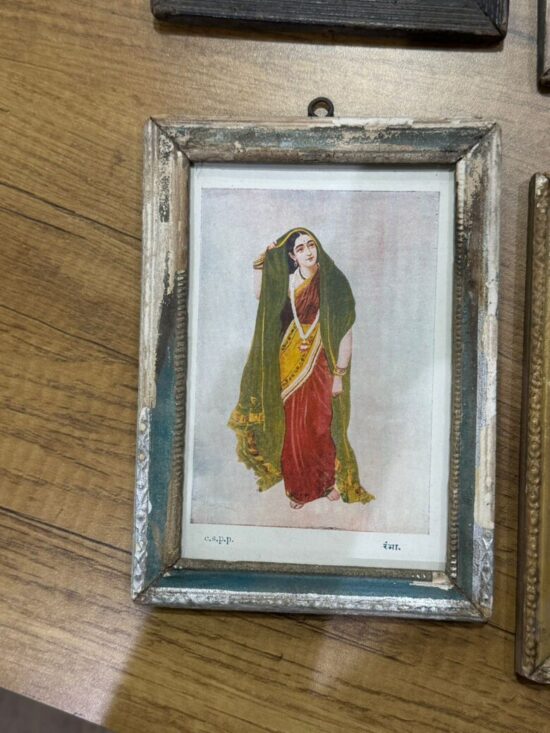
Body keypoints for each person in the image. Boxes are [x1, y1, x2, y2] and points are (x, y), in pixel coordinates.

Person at [228, 227, 374, 509]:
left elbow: (345, 331)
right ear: (293, 257)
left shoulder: (334, 282)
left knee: (321, 425)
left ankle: (326, 482)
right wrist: (259, 263)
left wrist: (339, 374)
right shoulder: (288, 281)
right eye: (300, 248)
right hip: (288, 362)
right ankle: (299, 489)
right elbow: (261, 296)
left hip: (322, 363)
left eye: (311, 245)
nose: (308, 252)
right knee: (294, 427)